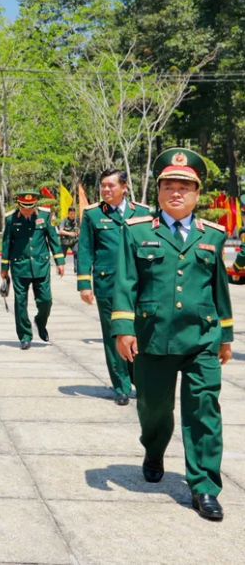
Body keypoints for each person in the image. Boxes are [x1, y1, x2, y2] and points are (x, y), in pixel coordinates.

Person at [112, 147, 233, 522]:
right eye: (169, 186)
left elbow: (219, 289)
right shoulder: (137, 231)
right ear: (159, 191)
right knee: (154, 409)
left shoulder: (213, 236)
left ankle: (204, 486)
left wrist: (226, 336)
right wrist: (123, 329)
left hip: (202, 339)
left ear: (197, 194)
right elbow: (125, 282)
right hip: (153, 338)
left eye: (184, 186)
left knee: (204, 412)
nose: (176, 192)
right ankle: (154, 449)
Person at [77, 170, 151, 405]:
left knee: (140, 334)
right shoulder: (93, 214)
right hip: (108, 284)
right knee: (114, 336)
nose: (106, 190)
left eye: (111, 185)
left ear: (124, 187)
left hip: (139, 285)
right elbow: (85, 250)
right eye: (103, 186)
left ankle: (140, 380)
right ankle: (121, 386)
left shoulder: (143, 213)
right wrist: (84, 284)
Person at [0, 191, 65, 349]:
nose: (28, 211)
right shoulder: (11, 219)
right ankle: (25, 336)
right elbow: (7, 243)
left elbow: (53, 238)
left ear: (35, 205)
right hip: (19, 266)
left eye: (31, 207)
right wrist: (4, 268)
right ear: (19, 205)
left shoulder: (45, 216)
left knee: (46, 301)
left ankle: (40, 323)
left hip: (41, 266)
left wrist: (60, 261)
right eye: (24, 207)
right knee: (20, 303)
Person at [58, 206, 80, 271]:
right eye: (71, 214)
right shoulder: (64, 221)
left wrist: (78, 232)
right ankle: (60, 268)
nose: (72, 215)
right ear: (68, 214)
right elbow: (60, 231)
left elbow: (80, 228)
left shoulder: (77, 221)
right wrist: (69, 233)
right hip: (65, 241)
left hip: (74, 241)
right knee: (62, 255)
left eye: (74, 214)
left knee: (77, 252)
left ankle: (76, 268)